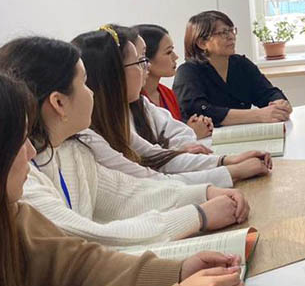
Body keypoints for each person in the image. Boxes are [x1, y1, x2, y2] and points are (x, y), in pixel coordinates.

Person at [0, 70, 245, 286]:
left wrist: (176, 272)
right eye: (20, 141)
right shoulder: (27, 188)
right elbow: (94, 237)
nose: (30, 152)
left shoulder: (18, 204)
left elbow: (74, 264)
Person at [0, 37, 247, 247]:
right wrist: (199, 214)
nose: (91, 91)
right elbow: (89, 238)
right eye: (84, 83)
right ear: (59, 103)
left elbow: (129, 193)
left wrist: (203, 193)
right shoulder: (22, 176)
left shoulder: (72, 150)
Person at [74, 27, 270, 187]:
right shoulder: (90, 136)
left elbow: (157, 155)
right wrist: (232, 170)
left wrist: (226, 160)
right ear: (112, 74)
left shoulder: (130, 110)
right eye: (140, 61)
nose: (146, 67)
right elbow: (152, 180)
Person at [174, 10, 293, 126]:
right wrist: (258, 115)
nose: (231, 36)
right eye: (223, 33)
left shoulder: (241, 64)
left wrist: (279, 104)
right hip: (207, 137)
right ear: (202, 43)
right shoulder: (187, 72)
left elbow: (267, 92)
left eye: (231, 30)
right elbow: (199, 110)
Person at [135, 23, 213, 140]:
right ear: (145, 59)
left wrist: (198, 124)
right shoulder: (134, 99)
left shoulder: (167, 93)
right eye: (168, 52)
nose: (175, 56)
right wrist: (191, 132)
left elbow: (177, 129)